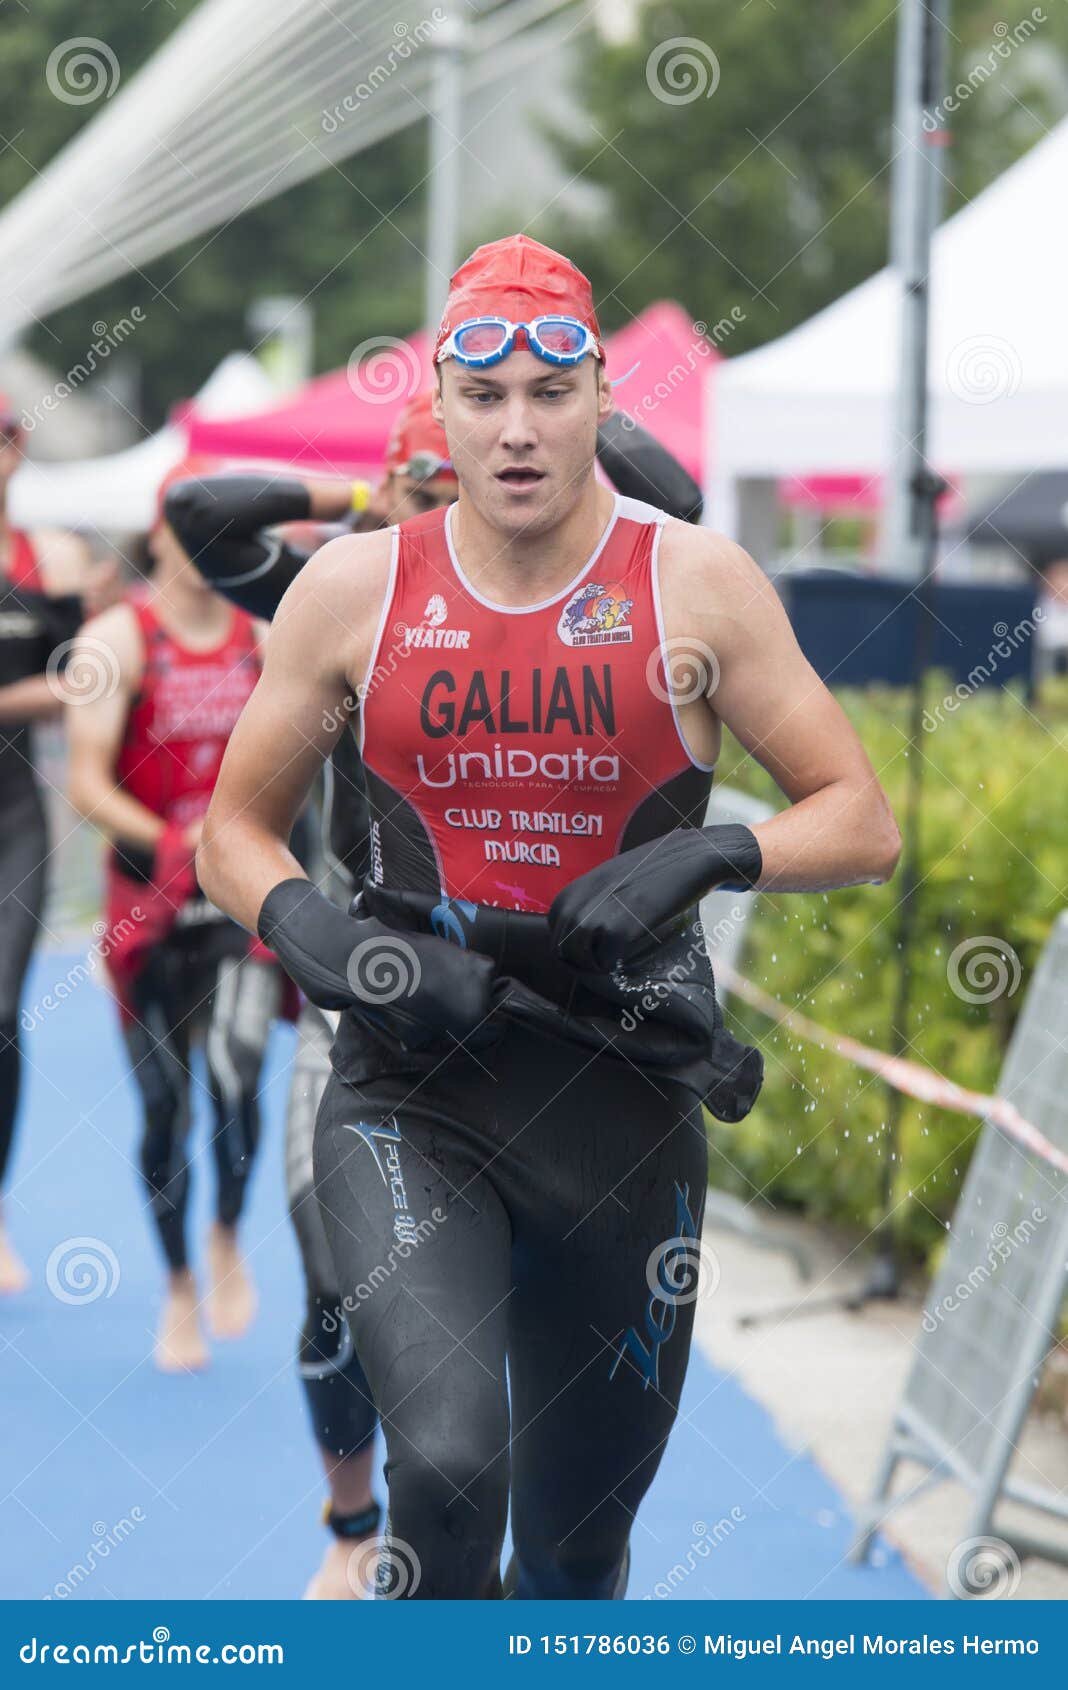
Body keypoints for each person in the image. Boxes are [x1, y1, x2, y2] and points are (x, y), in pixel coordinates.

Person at [195, 234, 901, 1600]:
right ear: (441, 413)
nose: (517, 429)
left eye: (551, 393)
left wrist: (712, 850)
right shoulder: (358, 588)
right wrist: (319, 933)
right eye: (485, 396)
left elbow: (859, 819)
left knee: (576, 1559)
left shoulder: (696, 582)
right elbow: (233, 829)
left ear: (598, 407)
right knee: (451, 1478)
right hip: (416, 1092)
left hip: (622, 1109)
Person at [66, 463, 286, 1371]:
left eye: (218, 536)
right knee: (165, 1106)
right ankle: (180, 1284)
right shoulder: (116, 640)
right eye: (185, 531)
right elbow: (83, 783)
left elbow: (296, 761)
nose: (200, 551)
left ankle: (229, 1232)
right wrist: (173, 839)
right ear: (158, 536)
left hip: (234, 899)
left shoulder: (263, 639)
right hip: (148, 905)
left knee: (236, 1076)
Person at [0, 392, 111, 1293]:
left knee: (1, 1014)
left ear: (18, 447)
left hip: (13, 817)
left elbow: (83, 679)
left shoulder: (54, 558)